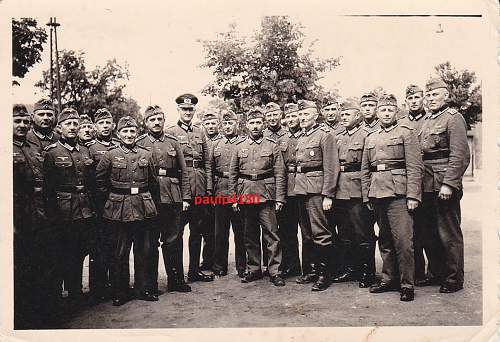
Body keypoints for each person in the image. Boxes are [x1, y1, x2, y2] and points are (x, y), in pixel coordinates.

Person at [361, 94, 424, 302]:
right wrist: (366, 195)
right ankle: (389, 279)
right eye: (382, 110)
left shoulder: (406, 132)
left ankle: (407, 284)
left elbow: (415, 167)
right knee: (385, 240)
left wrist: (413, 195)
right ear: (378, 112)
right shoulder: (371, 136)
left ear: (396, 111)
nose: (386, 113)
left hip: (399, 194)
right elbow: (365, 170)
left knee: (404, 242)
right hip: (377, 193)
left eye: (390, 110)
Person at [95, 116, 159, 305]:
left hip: (142, 206)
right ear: (118, 134)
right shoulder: (110, 154)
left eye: (132, 131)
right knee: (120, 252)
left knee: (143, 250)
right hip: (118, 209)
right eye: (125, 131)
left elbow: (153, 182)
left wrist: (151, 204)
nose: (129, 135)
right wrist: (112, 200)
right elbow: (99, 181)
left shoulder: (146, 154)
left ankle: (142, 289)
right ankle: (120, 291)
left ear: (137, 133)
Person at [418, 78, 470, 293]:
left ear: (446, 96)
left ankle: (453, 278)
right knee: (429, 232)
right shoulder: (427, 120)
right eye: (427, 95)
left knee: (448, 232)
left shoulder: (453, 118)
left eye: (434, 95)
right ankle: (436, 273)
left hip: (442, 183)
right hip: (425, 183)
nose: (430, 99)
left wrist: (449, 183)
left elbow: (460, 155)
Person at [43, 108, 97, 310]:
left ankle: (76, 293)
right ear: (60, 128)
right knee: (64, 253)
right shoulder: (52, 152)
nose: (73, 127)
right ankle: (62, 297)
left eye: (76, 123)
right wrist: (53, 215)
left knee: (81, 251)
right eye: (69, 124)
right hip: (64, 210)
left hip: (85, 208)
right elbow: (48, 189)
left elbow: (91, 182)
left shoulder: (85, 151)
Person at [136, 105, 192, 293]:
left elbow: (184, 172)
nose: (157, 122)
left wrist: (185, 198)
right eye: (152, 119)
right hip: (150, 199)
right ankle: (149, 285)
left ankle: (176, 280)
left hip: (173, 197)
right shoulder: (140, 143)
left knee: (174, 240)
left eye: (159, 118)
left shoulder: (173, 142)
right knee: (150, 243)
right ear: (145, 123)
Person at [228, 108, 286, 287]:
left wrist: (279, 198)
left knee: (271, 235)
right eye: (252, 123)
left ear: (263, 124)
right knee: (249, 235)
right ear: (246, 125)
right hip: (246, 196)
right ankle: (254, 269)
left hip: (266, 195)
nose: (255, 126)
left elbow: (280, 172)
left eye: (258, 122)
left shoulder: (272, 144)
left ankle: (275, 271)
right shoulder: (239, 146)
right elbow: (233, 174)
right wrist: (233, 198)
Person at [165, 94, 214, 282]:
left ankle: (194, 271)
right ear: (178, 110)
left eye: (190, 109)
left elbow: (207, 163)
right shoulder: (170, 132)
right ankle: (176, 275)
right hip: (180, 189)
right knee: (176, 234)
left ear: (194, 111)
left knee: (197, 231)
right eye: (184, 109)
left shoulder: (199, 131)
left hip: (200, 186)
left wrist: (208, 188)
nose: (187, 112)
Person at [293, 100, 340, 291]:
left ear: (315, 116)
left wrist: (328, 194)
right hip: (301, 190)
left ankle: (324, 274)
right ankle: (312, 270)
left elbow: (331, 167)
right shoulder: (301, 137)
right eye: (300, 115)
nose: (302, 118)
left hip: (317, 191)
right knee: (307, 233)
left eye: (306, 115)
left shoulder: (324, 136)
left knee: (321, 233)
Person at [332, 98, 377, 288]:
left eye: (347, 114)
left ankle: (367, 271)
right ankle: (350, 269)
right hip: (340, 188)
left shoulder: (366, 134)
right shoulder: (338, 136)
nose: (343, 118)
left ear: (357, 116)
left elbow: (368, 165)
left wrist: (367, 192)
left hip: (358, 188)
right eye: (341, 115)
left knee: (362, 232)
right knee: (345, 233)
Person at [399, 84, 435, 286]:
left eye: (417, 97)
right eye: (410, 98)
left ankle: (436, 271)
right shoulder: (401, 122)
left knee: (429, 229)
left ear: (423, 100)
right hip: (407, 181)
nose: (414, 101)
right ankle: (416, 272)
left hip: (427, 180)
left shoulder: (430, 120)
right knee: (410, 231)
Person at [208, 109, 246, 278]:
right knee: (220, 232)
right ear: (221, 126)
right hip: (220, 191)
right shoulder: (215, 144)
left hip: (239, 192)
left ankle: (242, 266)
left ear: (237, 124)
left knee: (241, 231)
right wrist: (210, 191)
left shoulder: (244, 143)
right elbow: (209, 169)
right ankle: (219, 266)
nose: (228, 126)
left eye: (231, 123)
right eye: (225, 124)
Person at [87, 108, 118, 303]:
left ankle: (115, 285)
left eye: (108, 123)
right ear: (95, 126)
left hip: (117, 202)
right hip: (98, 203)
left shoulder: (118, 145)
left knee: (116, 245)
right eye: (101, 123)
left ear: (113, 125)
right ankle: (97, 288)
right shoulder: (90, 148)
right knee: (98, 247)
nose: (105, 126)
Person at [13, 104, 39, 328]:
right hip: (13, 212)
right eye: (16, 121)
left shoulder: (32, 148)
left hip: (34, 211)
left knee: (34, 261)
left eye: (25, 122)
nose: (22, 125)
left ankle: (32, 312)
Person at [275, 103, 303, 278]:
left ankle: (310, 267)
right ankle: (291, 265)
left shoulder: (307, 135)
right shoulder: (281, 139)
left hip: (304, 186)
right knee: (286, 230)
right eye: (289, 116)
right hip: (287, 188)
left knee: (308, 231)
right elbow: (279, 168)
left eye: (295, 116)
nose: (292, 120)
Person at [199, 110, 222, 272]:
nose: (211, 126)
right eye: (207, 123)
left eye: (213, 123)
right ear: (203, 125)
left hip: (220, 189)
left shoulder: (223, 141)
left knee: (219, 227)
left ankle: (218, 261)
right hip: (206, 190)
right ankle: (207, 260)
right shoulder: (200, 141)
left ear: (218, 124)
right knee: (206, 226)